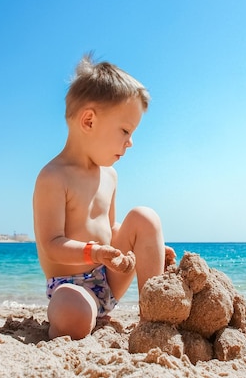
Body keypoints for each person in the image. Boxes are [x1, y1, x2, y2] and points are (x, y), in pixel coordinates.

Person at [33, 54, 176, 340]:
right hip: (72, 287)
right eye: (125, 130)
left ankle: (153, 318)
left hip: (108, 278)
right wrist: (94, 251)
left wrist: (149, 248)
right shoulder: (53, 177)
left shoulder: (109, 176)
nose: (130, 142)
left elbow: (110, 230)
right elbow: (51, 244)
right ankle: (68, 321)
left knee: (144, 217)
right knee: (72, 313)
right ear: (88, 120)